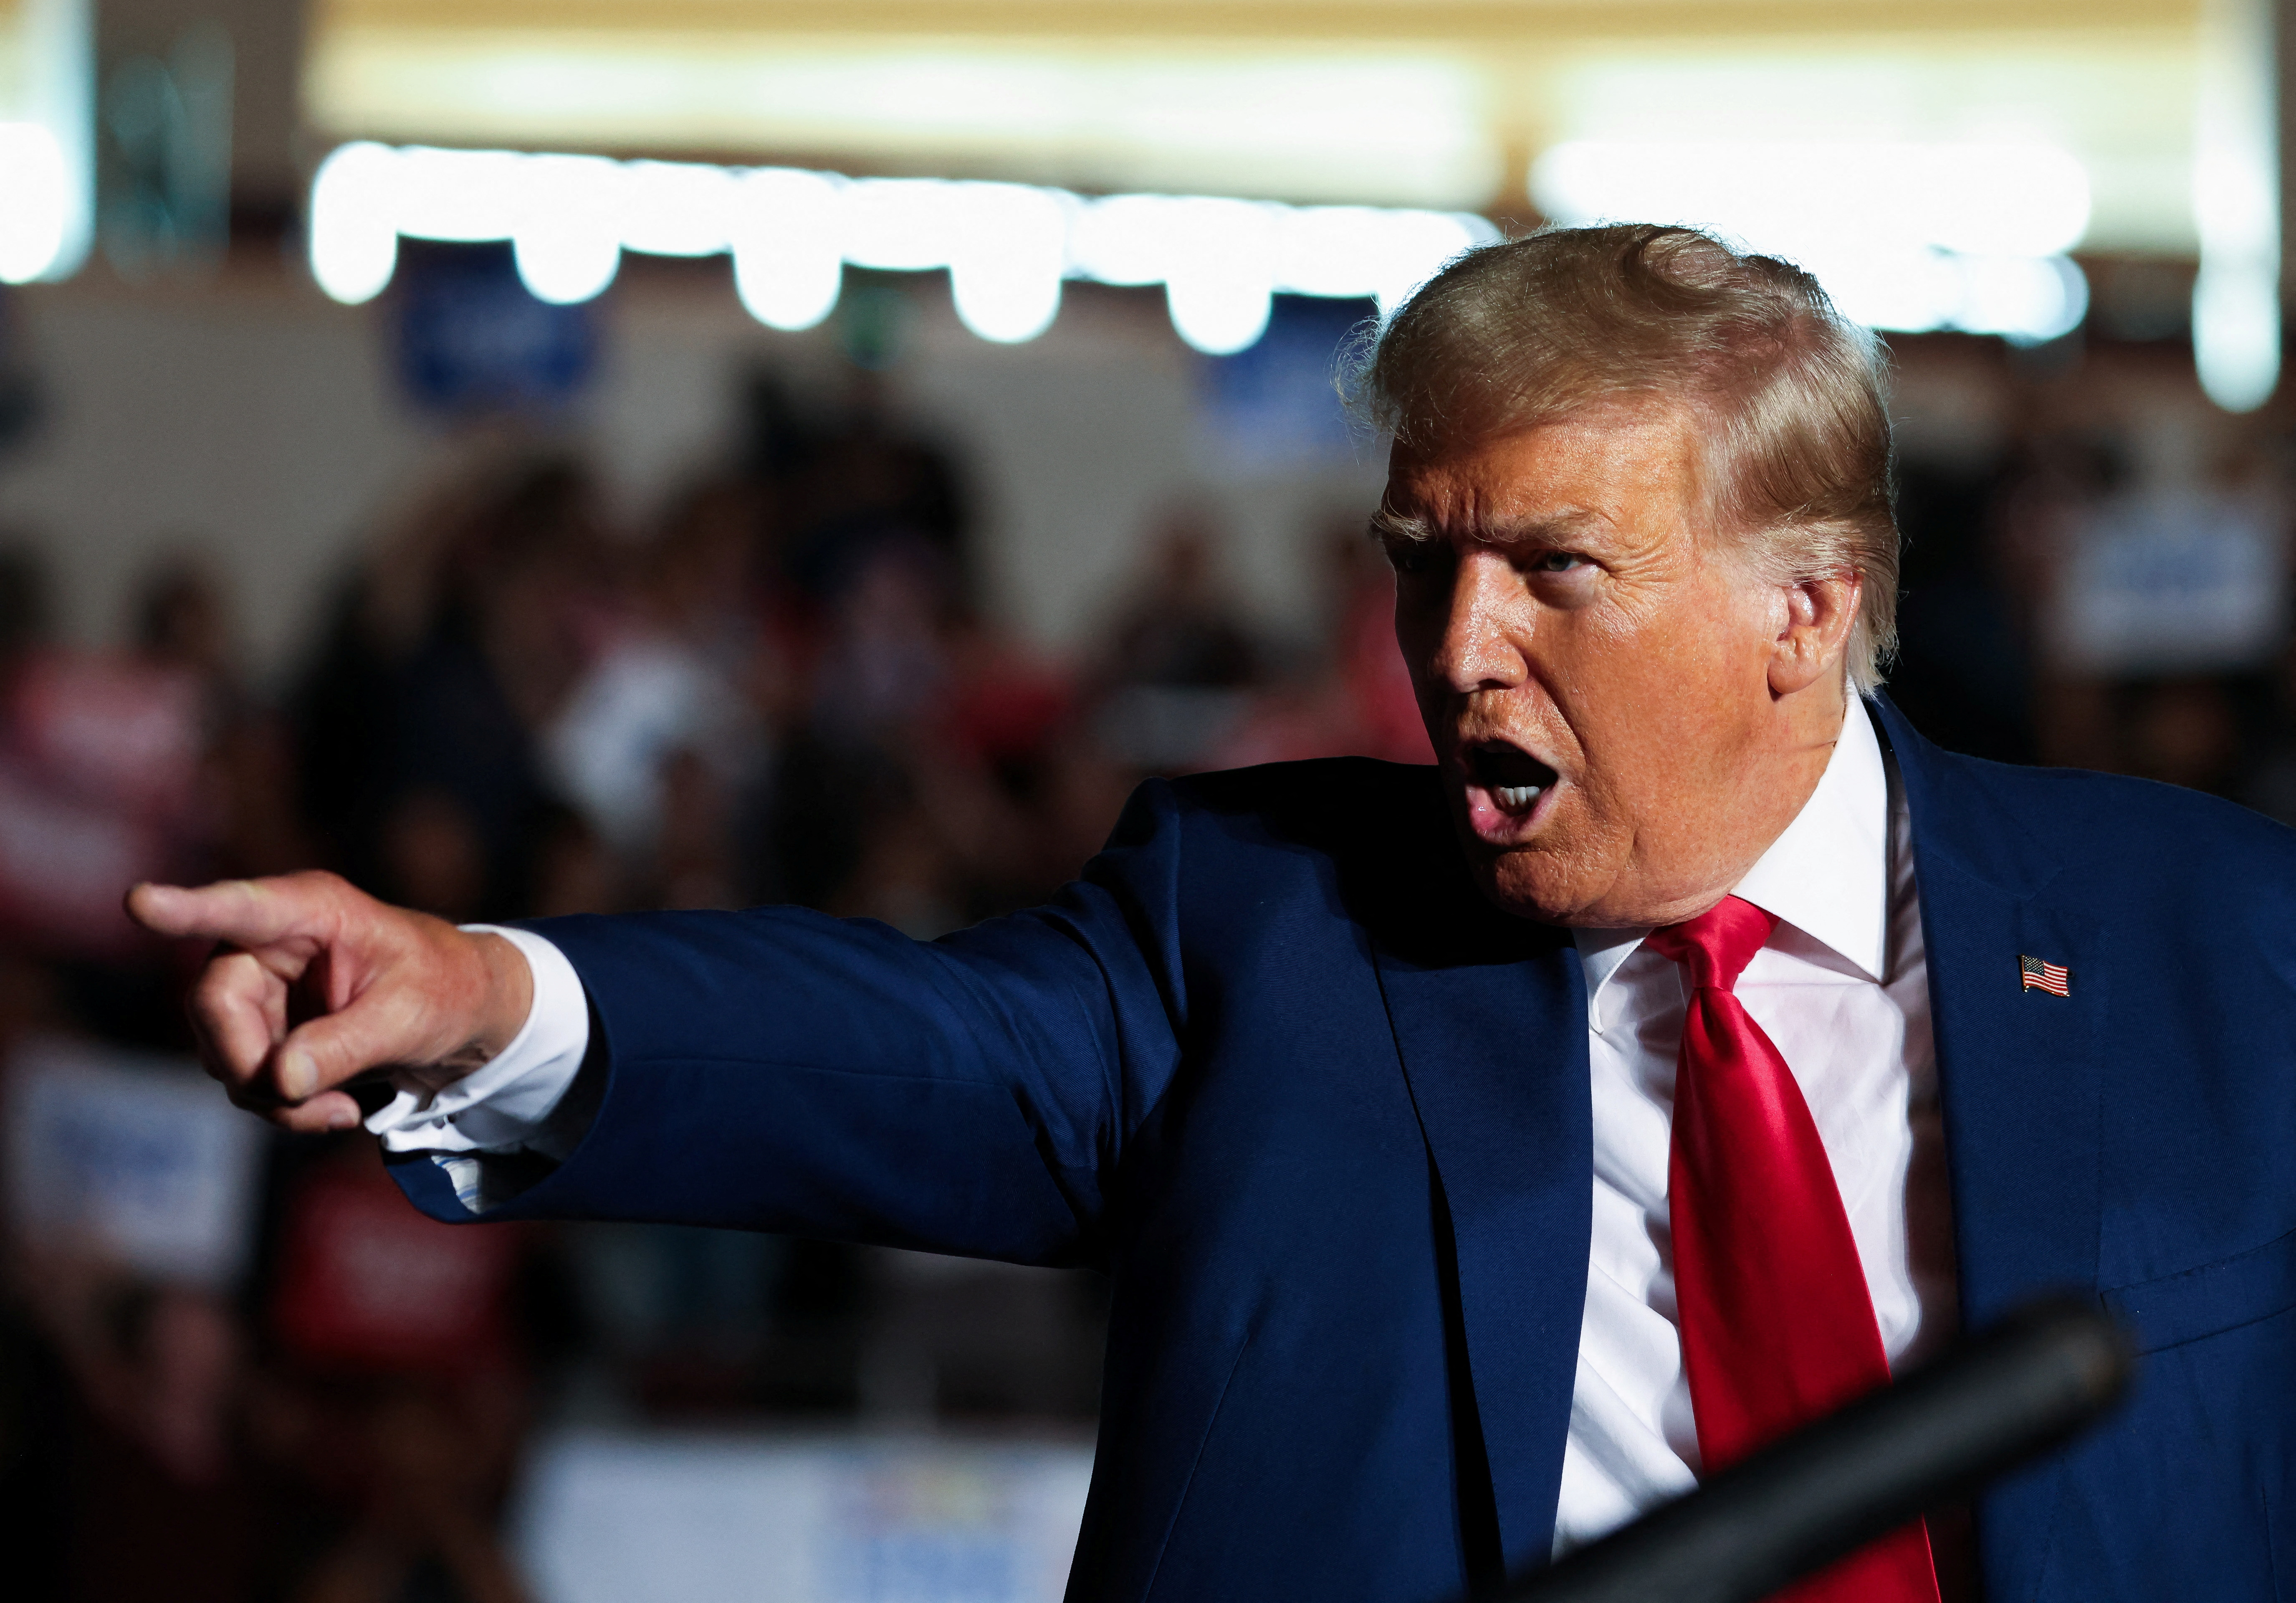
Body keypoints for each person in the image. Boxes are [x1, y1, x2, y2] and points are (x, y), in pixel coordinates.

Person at [132, 227, 2296, 1603]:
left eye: (1551, 566)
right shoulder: (1270, 928)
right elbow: (906, 1050)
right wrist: (488, 994)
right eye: (1419, 558)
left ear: (1801, 610)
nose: (1451, 649)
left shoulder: (2214, 939)